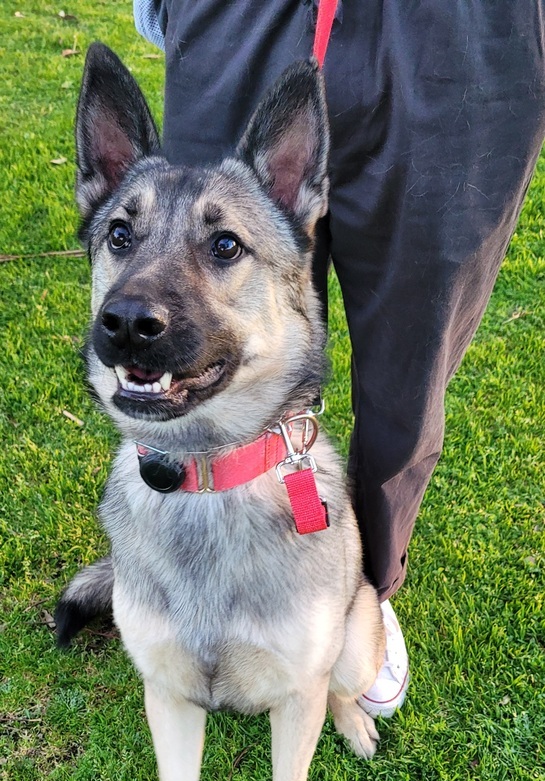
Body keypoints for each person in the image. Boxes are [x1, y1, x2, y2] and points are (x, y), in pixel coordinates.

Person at [133, 0, 545, 715]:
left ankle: (361, 583)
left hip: (465, 35)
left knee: (406, 368)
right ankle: (211, 578)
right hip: (240, 20)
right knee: (205, 326)